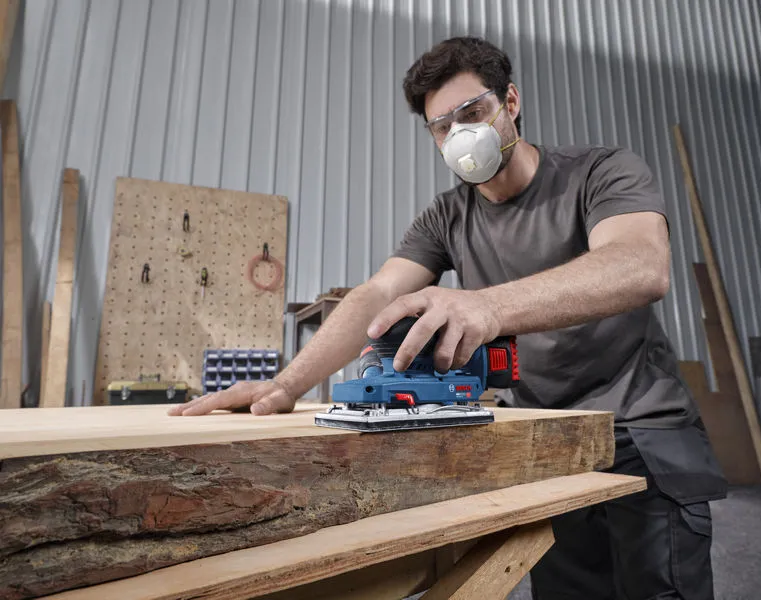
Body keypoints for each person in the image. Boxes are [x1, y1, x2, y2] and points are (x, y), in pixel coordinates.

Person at [169, 36, 728, 600]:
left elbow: (640, 265)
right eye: (442, 126)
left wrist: (486, 304)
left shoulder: (601, 171)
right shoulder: (446, 215)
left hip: (640, 428)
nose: (460, 133)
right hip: (547, 440)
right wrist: (286, 384)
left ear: (510, 102)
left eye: (473, 112)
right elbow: (377, 292)